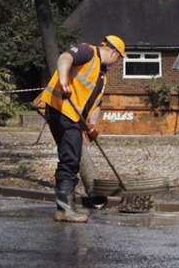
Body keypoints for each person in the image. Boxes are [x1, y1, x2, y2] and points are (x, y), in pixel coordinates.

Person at [37, 35, 125, 223]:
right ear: (112, 51)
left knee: (71, 157)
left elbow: (96, 104)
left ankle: (66, 207)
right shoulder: (88, 52)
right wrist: (62, 80)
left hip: (73, 117)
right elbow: (64, 58)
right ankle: (64, 210)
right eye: (119, 58)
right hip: (62, 110)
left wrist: (91, 126)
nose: (117, 63)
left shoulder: (102, 75)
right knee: (70, 159)